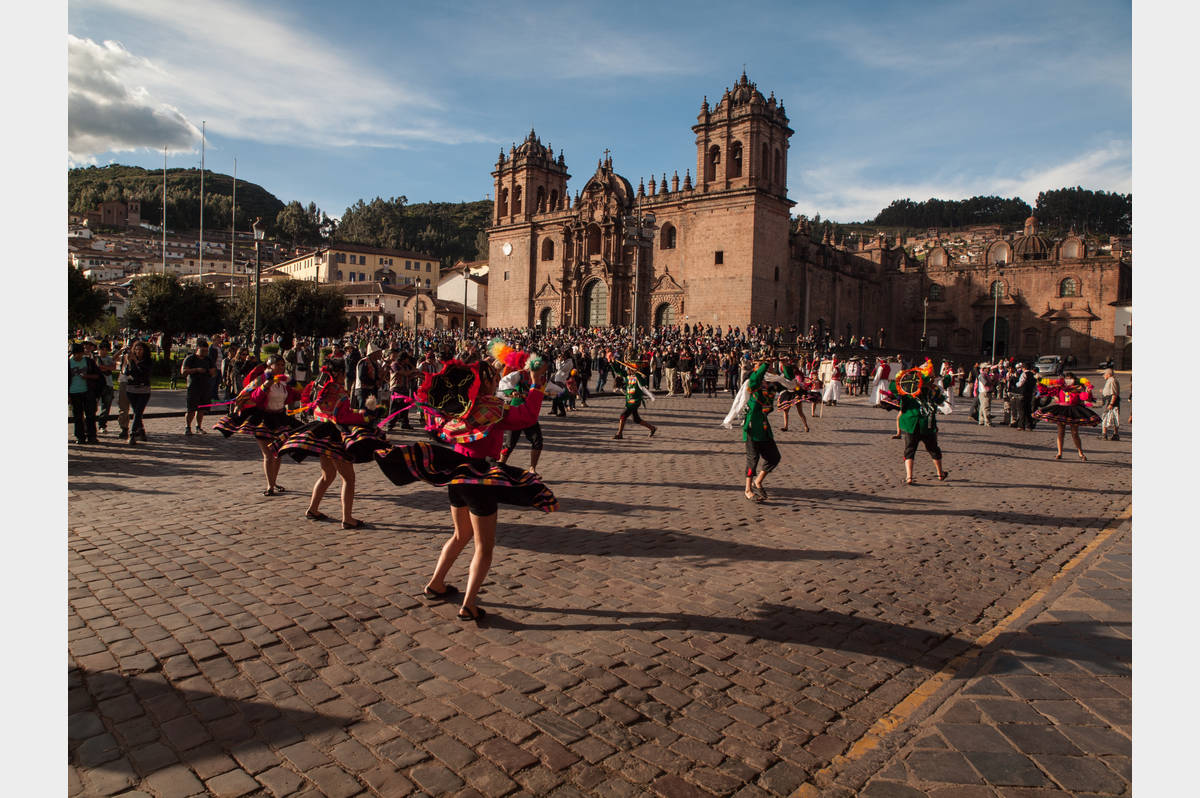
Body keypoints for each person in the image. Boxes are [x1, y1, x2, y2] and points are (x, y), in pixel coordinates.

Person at [373, 356, 557, 622]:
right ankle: (469, 604)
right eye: (495, 377)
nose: (499, 378)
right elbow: (526, 417)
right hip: (478, 479)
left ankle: (436, 583)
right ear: (488, 384)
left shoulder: (460, 406)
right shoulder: (492, 408)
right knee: (484, 546)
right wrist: (536, 385)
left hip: (456, 476)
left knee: (460, 535)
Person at [278, 359, 387, 528]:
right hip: (334, 436)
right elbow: (342, 417)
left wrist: (360, 412)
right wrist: (366, 415)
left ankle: (313, 509)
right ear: (341, 373)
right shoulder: (337, 390)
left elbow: (322, 409)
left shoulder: (321, 386)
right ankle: (347, 518)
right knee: (349, 479)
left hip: (322, 433)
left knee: (328, 475)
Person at [214, 354, 302, 496]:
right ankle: (270, 486)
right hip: (263, 419)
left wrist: (306, 393)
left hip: (279, 418)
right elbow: (254, 396)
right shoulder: (262, 380)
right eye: (278, 364)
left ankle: (274, 481)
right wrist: (265, 386)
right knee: (268, 454)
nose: (281, 367)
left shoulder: (285, 381)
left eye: (282, 365)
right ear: (269, 366)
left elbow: (292, 395)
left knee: (278, 452)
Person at [891, 361, 950, 485]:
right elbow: (941, 401)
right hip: (927, 423)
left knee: (909, 450)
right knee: (933, 449)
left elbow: (893, 389)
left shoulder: (907, 389)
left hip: (911, 423)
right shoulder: (933, 390)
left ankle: (909, 477)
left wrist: (902, 376)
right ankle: (940, 474)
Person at [1034, 372, 1100, 461]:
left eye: (1070, 378)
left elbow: (1085, 398)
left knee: (1075, 433)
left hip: (1074, 410)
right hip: (1062, 409)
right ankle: (1059, 452)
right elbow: (1046, 391)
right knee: (1061, 432)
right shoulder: (1059, 388)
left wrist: (1088, 392)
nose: (1068, 380)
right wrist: (1040, 382)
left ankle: (1080, 453)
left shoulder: (1079, 388)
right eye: (1067, 378)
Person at [612, 358, 658, 439]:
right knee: (636, 419)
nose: (627, 370)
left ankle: (619, 433)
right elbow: (618, 371)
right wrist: (612, 363)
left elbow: (643, 384)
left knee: (623, 415)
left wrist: (636, 373)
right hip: (629, 400)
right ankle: (652, 428)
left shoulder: (639, 377)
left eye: (629, 369)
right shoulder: (627, 376)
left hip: (635, 401)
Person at [120, 340, 153, 445]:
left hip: (144, 390)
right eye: (136, 349)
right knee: (137, 412)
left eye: (140, 349)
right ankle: (141, 431)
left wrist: (136, 361)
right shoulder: (131, 360)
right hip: (131, 389)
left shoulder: (148, 361)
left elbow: (144, 372)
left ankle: (132, 434)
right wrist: (127, 361)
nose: (138, 351)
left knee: (138, 412)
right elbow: (126, 373)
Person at [182, 340, 217, 434]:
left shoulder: (208, 359)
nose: (205, 353)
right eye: (203, 351)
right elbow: (183, 371)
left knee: (201, 409)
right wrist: (196, 370)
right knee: (191, 409)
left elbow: (213, 371)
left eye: (206, 351)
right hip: (193, 386)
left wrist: (211, 372)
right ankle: (188, 427)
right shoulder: (190, 358)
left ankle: (198, 427)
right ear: (197, 349)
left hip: (205, 386)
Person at [68, 342, 101, 445]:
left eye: (81, 354)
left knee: (90, 415)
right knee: (77, 416)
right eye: (77, 354)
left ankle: (92, 436)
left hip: (87, 392)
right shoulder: (68, 363)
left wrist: (87, 376)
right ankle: (80, 436)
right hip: (74, 393)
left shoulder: (88, 362)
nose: (80, 356)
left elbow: (97, 376)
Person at [94, 340, 116, 434]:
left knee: (106, 407)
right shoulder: (95, 358)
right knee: (93, 407)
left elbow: (113, 367)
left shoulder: (109, 358)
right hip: (96, 385)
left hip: (108, 384)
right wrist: (107, 367)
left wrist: (105, 367)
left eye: (106, 349)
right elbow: (98, 367)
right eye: (102, 349)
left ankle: (102, 425)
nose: (104, 351)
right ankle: (90, 425)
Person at [1099, 368, 1121, 441]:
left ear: (1108, 374)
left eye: (1104, 374)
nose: (1103, 376)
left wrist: (1111, 403)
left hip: (1111, 401)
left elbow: (1114, 393)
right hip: (1109, 400)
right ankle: (1115, 434)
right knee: (1113, 417)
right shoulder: (1110, 380)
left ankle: (1105, 434)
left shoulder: (1112, 381)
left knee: (1106, 417)